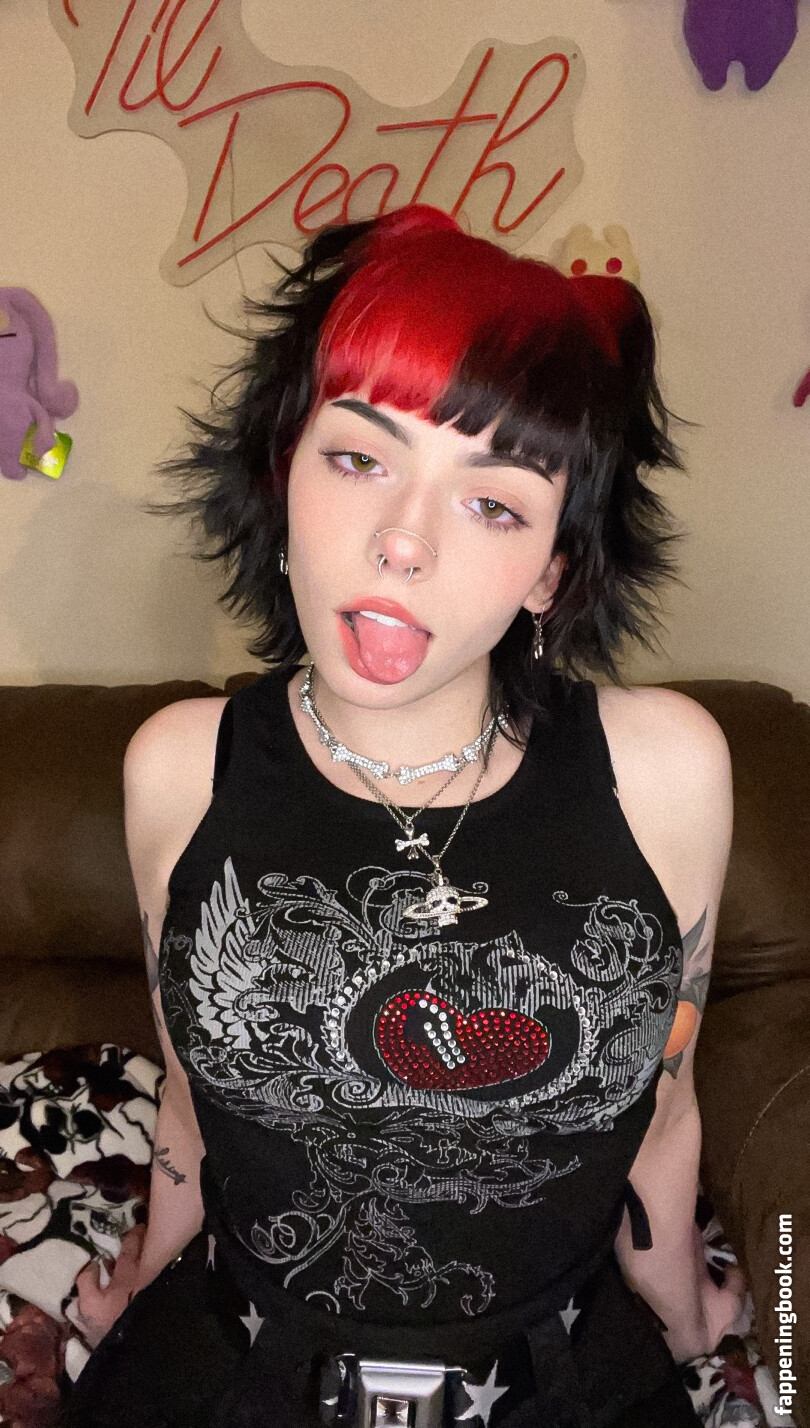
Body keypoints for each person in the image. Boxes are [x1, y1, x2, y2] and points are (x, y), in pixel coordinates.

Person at [62, 204, 747, 1428]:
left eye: (494, 505)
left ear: (552, 570)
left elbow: (665, 1102)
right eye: (360, 459)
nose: (402, 544)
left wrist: (705, 1313)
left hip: (563, 1381)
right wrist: (140, 1276)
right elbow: (193, 1098)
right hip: (235, 1369)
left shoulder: (666, 771)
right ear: (282, 470)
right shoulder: (179, 768)